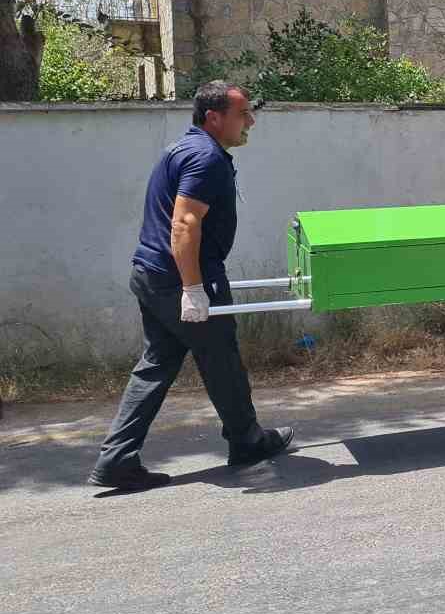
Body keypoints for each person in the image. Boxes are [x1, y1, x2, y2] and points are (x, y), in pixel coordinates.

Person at [88, 81, 293, 491]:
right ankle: (247, 440)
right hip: (181, 277)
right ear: (214, 117)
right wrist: (193, 289)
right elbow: (184, 223)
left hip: (151, 273)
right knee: (222, 358)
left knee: (157, 365)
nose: (250, 121)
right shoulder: (205, 157)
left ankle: (116, 459)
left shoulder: (184, 148)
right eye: (242, 114)